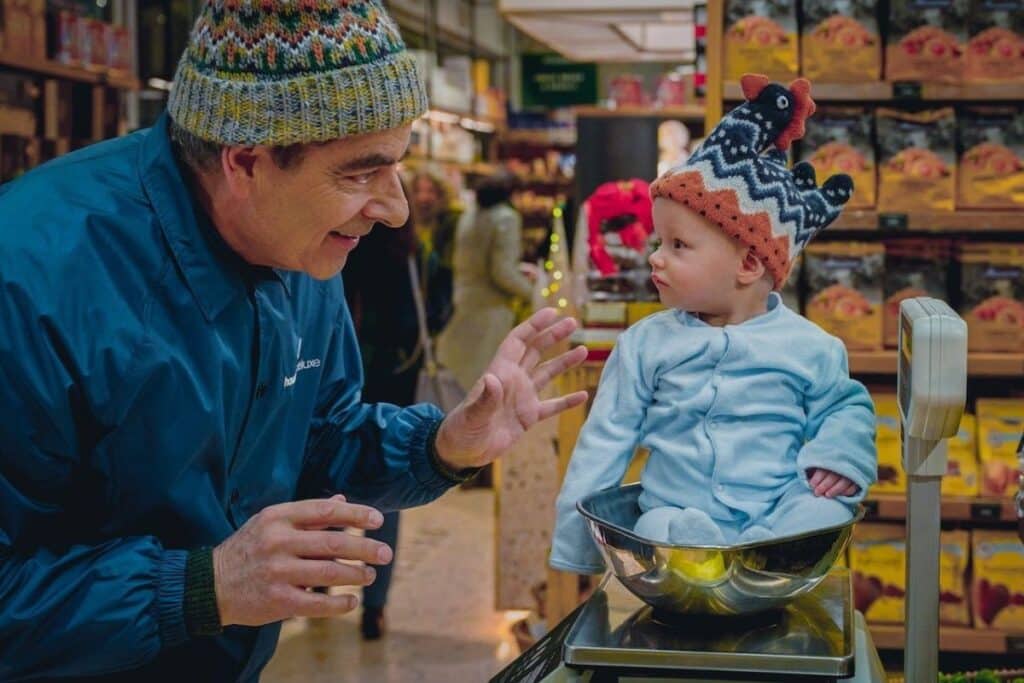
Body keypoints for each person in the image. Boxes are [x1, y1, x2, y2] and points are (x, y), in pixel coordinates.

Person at [0, 2, 589, 680]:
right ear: (246, 162)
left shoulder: (299, 252)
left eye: (397, 166)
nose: (395, 207)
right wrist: (205, 586)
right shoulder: (31, 277)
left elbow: (322, 440)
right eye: (360, 172)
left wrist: (442, 445)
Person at [550, 74, 877, 574]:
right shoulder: (644, 345)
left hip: (780, 508)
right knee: (654, 526)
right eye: (660, 243)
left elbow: (846, 407)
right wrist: (577, 543)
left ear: (748, 265)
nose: (655, 258)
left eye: (678, 246)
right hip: (676, 515)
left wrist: (839, 457)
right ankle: (703, 551)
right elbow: (605, 440)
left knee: (821, 511)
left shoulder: (811, 347)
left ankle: (770, 548)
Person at [341, 180, 421, 640]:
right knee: (384, 490)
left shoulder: (342, 251)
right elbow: (435, 306)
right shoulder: (411, 255)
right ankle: (375, 605)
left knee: (328, 476)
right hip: (397, 379)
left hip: (348, 376)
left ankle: (318, 572)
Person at [437, 172, 539, 394]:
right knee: (485, 383)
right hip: (490, 310)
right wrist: (534, 293)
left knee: (459, 382)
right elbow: (502, 272)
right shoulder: (506, 218)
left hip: (461, 302)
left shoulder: (469, 214)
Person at [411, 170, 463, 335]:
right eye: (418, 191)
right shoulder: (408, 223)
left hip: (437, 303)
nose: (423, 198)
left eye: (430, 191)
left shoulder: (451, 222)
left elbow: (447, 267)